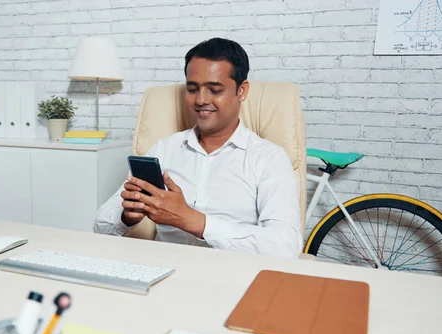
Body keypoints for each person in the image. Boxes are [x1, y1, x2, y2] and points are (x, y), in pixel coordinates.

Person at [93, 38, 302, 258]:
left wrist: (194, 220)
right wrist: (126, 216)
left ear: (241, 91)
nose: (201, 100)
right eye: (192, 89)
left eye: (214, 90)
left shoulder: (268, 158)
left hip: (232, 279)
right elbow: (100, 225)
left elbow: (286, 247)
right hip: (164, 273)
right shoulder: (164, 149)